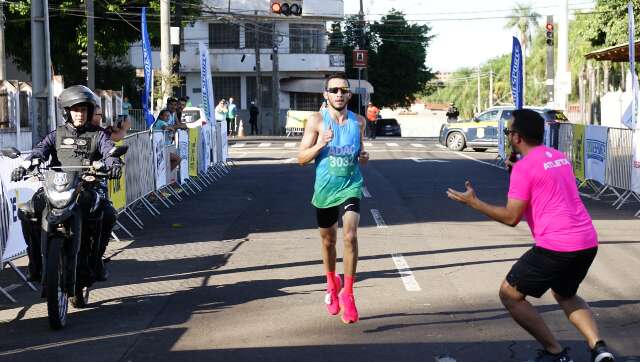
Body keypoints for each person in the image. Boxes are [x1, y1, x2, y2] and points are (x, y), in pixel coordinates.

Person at [446, 109, 615, 362]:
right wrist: (519, 170)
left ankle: (554, 352)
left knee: (510, 294)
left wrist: (474, 203)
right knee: (565, 293)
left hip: (556, 246)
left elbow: (511, 217)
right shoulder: (559, 157)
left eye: (508, 132)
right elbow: (545, 181)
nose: (508, 136)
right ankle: (599, 348)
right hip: (586, 241)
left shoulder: (525, 169)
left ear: (517, 137)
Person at [11, 85, 122, 282]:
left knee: (108, 214)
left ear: (89, 112)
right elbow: (39, 151)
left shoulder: (98, 134)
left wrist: (113, 164)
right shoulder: (56, 134)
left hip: (87, 186)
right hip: (56, 186)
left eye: (84, 110)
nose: (80, 114)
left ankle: (96, 260)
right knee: (27, 211)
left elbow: (109, 151)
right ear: (67, 112)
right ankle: (35, 262)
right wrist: (25, 166)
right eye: (76, 110)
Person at [297, 73, 369, 324]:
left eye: (343, 90)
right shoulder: (317, 121)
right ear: (325, 94)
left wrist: (363, 157)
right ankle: (332, 283)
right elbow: (301, 159)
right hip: (325, 189)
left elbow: (360, 150)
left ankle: (348, 294)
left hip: (351, 184)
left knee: (350, 235)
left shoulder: (358, 121)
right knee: (328, 242)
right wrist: (320, 145)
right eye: (334, 90)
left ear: (349, 94)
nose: (339, 94)